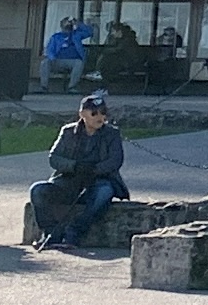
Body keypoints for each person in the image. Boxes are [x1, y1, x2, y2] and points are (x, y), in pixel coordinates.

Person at [26, 89, 131, 250]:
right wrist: (74, 166)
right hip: (69, 181)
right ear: (82, 114)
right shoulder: (68, 132)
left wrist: (94, 169)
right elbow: (54, 158)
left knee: (104, 192)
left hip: (97, 181)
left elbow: (115, 161)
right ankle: (51, 233)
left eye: (103, 112)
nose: (100, 117)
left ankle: (74, 232)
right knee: (37, 190)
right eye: (94, 113)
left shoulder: (112, 134)